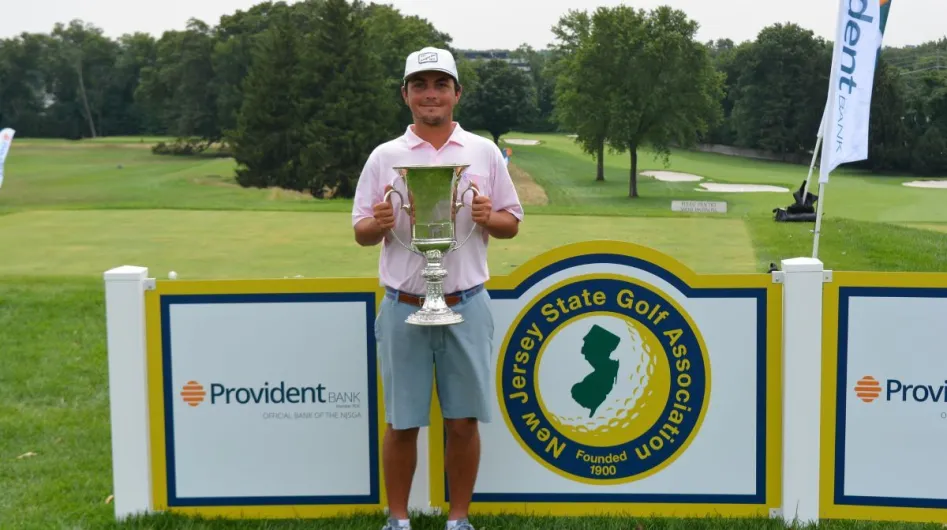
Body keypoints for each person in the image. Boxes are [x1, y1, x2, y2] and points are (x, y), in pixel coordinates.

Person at [351, 46, 524, 530]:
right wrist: (379, 223)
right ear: (406, 94)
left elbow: (511, 222)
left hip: (467, 302)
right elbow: (361, 232)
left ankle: (459, 520)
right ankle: (399, 520)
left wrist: (491, 216)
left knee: (462, 420)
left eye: (440, 85)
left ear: (456, 93)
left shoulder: (483, 152)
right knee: (401, 422)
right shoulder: (385, 156)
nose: (431, 94)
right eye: (421, 85)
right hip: (402, 304)